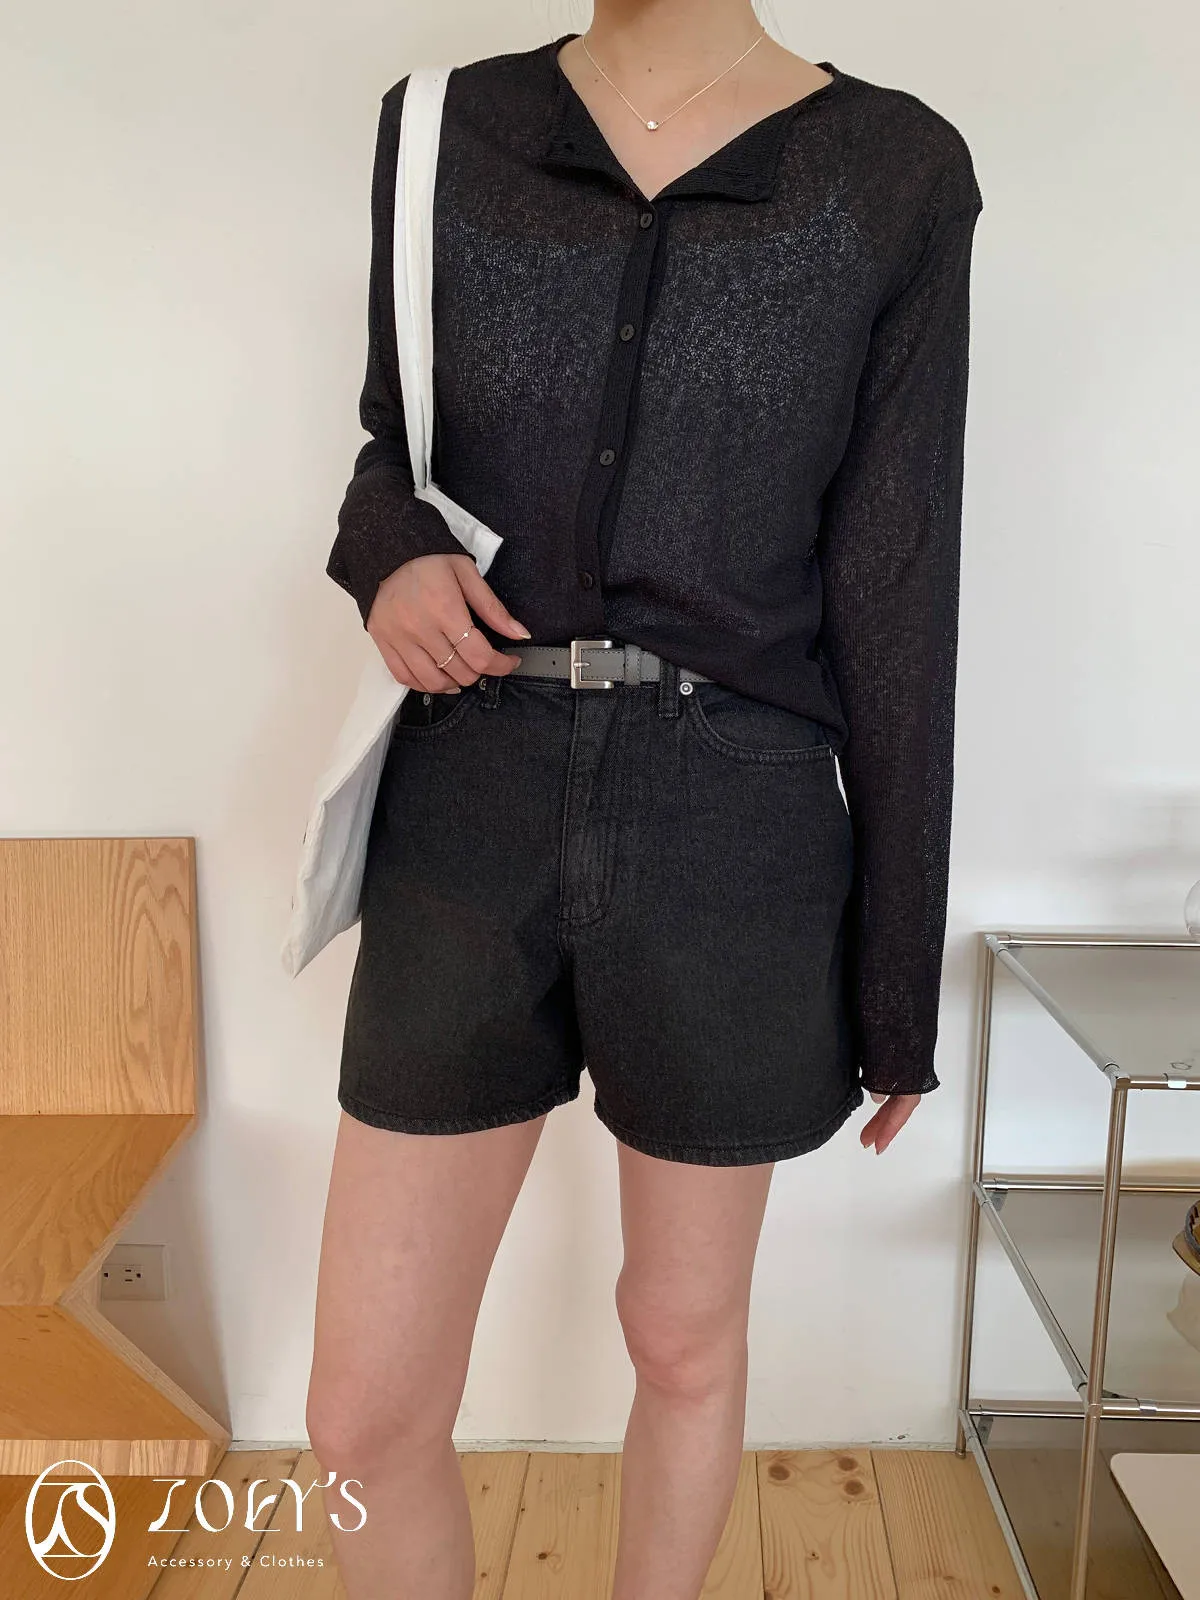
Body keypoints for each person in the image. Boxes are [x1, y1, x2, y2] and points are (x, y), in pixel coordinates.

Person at [305, 2, 983, 1595]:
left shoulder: (893, 167)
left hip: (731, 819)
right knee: (359, 1414)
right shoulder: (443, 126)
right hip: (465, 792)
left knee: (679, 1339)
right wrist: (387, 556)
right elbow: (392, 449)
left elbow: (897, 576)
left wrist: (897, 982)